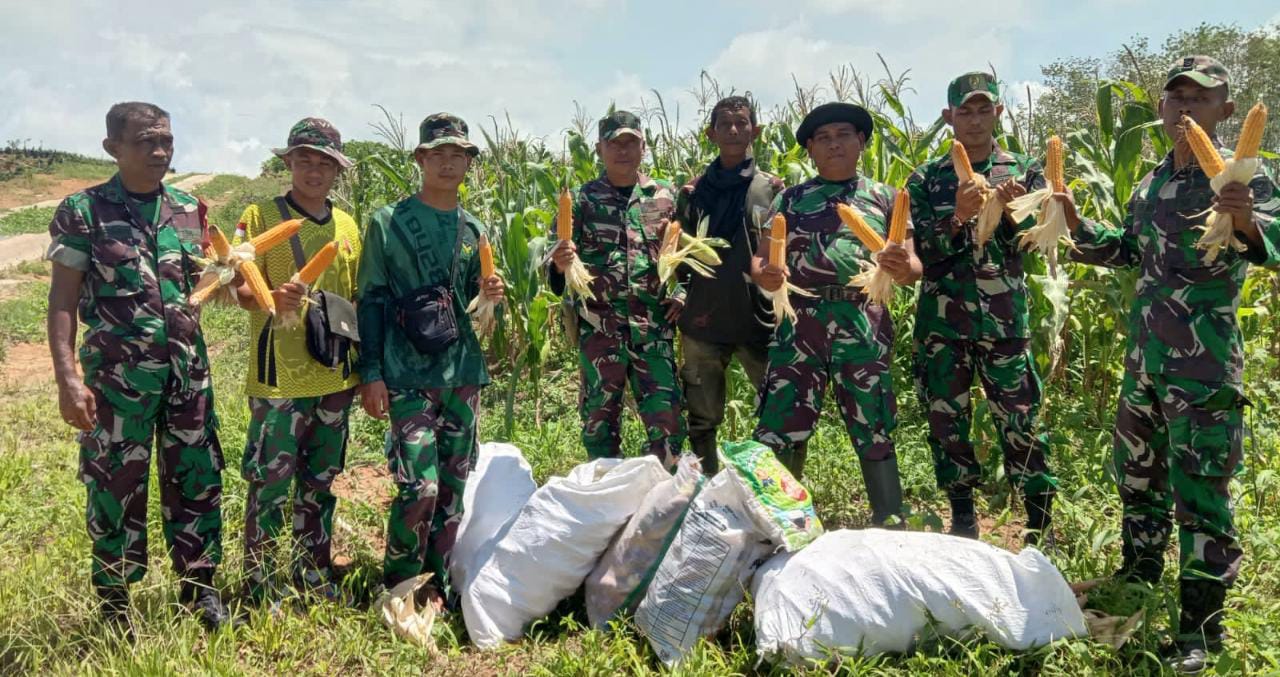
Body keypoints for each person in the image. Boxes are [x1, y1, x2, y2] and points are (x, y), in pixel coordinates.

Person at [1059, 56, 1280, 673]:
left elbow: (1271, 246)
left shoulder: (1244, 180)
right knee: (1138, 476)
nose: (1185, 108)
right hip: (1145, 362)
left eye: (1200, 98)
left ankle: (1199, 631)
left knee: (1200, 491)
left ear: (1225, 111)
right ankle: (1138, 578)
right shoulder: (1151, 183)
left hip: (1204, 368)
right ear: (1161, 109)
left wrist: (1241, 214)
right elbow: (1131, 250)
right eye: (1175, 97)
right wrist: (1077, 225)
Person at [45, 102, 230, 629]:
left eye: (166, 141)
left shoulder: (190, 210)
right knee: (114, 487)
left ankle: (199, 588)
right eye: (146, 141)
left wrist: (236, 279)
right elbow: (62, 301)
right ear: (113, 148)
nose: (160, 151)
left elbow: (208, 285)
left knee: (197, 478)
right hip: (117, 384)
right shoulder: (84, 211)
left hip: (188, 379)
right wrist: (67, 379)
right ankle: (115, 603)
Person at [355, 113, 504, 610]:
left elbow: (472, 310)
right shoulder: (386, 222)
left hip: (461, 373)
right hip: (405, 373)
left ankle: (436, 585)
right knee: (419, 485)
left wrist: (488, 296)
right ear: (420, 159)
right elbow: (371, 300)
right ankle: (399, 584)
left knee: (453, 489)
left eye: (457, 154)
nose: (448, 162)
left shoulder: (474, 228)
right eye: (437, 153)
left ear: (468, 163)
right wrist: (371, 372)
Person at [750, 102, 922, 526]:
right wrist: (767, 277)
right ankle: (781, 526)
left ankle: (889, 523)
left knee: (873, 424)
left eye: (843, 135)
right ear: (810, 149)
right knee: (782, 423)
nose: (834, 145)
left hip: (862, 321)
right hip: (800, 322)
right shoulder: (791, 199)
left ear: (861, 142)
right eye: (823, 139)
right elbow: (758, 263)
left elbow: (914, 267)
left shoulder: (885, 197)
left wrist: (904, 268)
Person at [906, 72, 1057, 544]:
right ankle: (964, 518)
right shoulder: (927, 178)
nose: (974, 120)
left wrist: (1009, 214)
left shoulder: (1025, 171)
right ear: (949, 117)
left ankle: (1039, 522)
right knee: (947, 423)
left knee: (1021, 422)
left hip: (1004, 320)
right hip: (942, 324)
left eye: (983, 109)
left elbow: (1032, 243)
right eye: (964, 111)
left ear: (999, 113)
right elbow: (920, 256)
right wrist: (957, 215)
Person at [231, 117, 361, 606]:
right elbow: (235, 283)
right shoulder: (260, 216)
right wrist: (268, 301)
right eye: (304, 159)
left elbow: (355, 298)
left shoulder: (347, 225)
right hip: (279, 377)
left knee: (321, 482)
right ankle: (261, 585)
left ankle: (312, 571)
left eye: (324, 163)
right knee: (270, 483)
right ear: (288, 163)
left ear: (337, 171)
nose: (314, 170)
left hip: (334, 373)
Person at [549, 110, 687, 467]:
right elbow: (553, 261)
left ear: (643, 147)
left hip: (653, 328)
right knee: (599, 423)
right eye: (614, 144)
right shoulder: (581, 200)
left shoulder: (665, 197)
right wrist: (559, 263)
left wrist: (682, 294)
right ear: (599, 148)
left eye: (631, 143)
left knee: (667, 421)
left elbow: (685, 256)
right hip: (601, 329)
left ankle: (662, 500)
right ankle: (608, 496)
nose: (623, 151)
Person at [675, 96, 784, 474]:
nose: (734, 130)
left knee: (777, 413)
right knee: (702, 417)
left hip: (760, 318)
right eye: (725, 124)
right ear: (711, 133)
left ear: (755, 130)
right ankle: (706, 486)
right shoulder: (692, 193)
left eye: (742, 123)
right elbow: (677, 255)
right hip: (703, 320)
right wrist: (678, 294)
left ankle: (770, 489)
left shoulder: (772, 189)